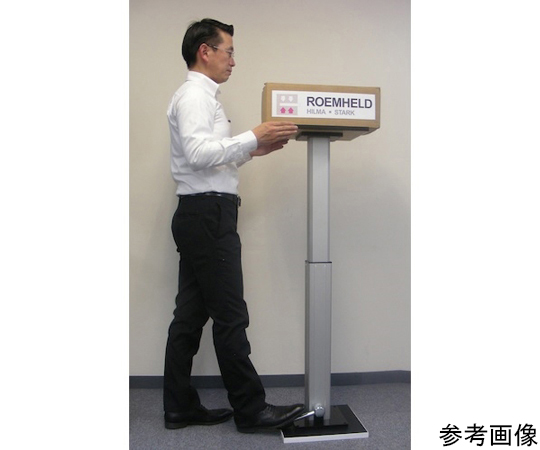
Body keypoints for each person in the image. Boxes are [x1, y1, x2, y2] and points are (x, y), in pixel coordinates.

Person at [163, 18, 304, 433]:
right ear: (205, 51)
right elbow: (197, 154)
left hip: (201, 214)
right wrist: (251, 137)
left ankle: (179, 407)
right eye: (229, 52)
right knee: (230, 316)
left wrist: (251, 151)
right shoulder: (195, 96)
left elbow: (210, 158)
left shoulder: (201, 96)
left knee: (190, 316)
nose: (233, 61)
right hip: (208, 216)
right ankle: (250, 409)